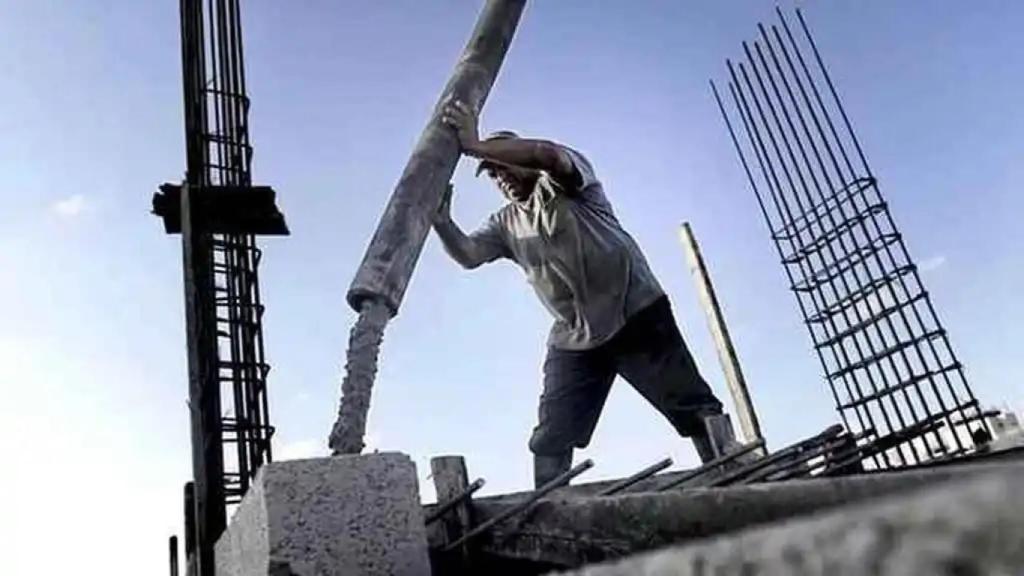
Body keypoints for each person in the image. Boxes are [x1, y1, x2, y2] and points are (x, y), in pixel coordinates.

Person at [433, 98, 730, 487]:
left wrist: (476, 146)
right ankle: (550, 504)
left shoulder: (567, 183)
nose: (500, 177)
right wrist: (442, 223)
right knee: (551, 436)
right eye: (492, 175)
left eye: (504, 165)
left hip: (634, 312)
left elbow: (547, 154)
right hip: (575, 337)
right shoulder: (505, 222)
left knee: (692, 406)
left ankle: (730, 471)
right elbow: (469, 255)